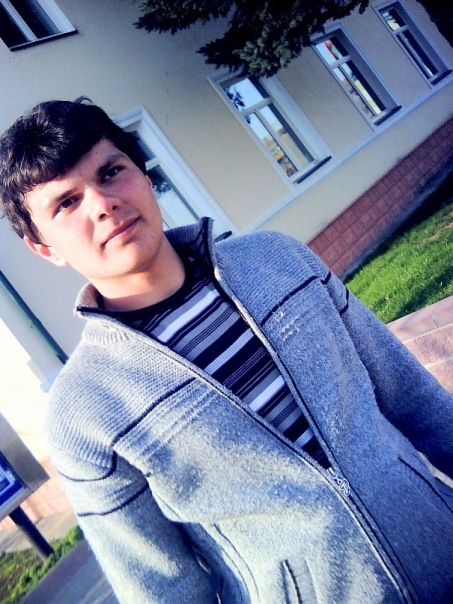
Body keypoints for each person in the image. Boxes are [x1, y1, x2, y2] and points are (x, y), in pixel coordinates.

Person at [0, 99, 452, 604]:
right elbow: (164, 590)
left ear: (145, 175)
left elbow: (415, 398)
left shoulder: (279, 261)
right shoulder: (83, 412)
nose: (102, 204)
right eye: (66, 203)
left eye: (111, 172)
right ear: (44, 247)